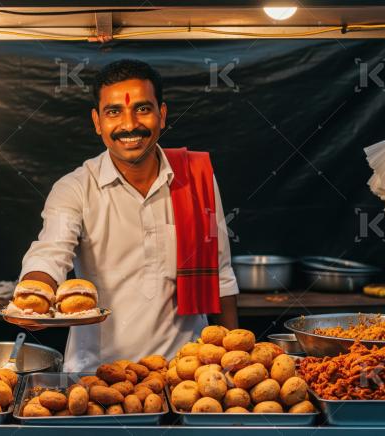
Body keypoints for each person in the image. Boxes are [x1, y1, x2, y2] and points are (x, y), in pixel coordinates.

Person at [19, 59, 239, 371]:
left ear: (162, 115)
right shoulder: (75, 188)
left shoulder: (196, 179)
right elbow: (50, 252)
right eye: (114, 112)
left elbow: (222, 277)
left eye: (142, 109)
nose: (129, 124)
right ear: (97, 121)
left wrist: (235, 364)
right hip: (97, 378)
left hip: (184, 375)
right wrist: (33, 295)